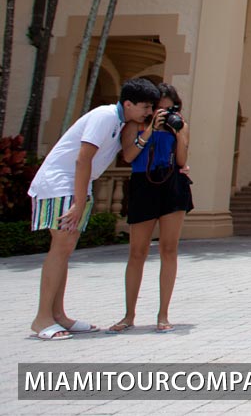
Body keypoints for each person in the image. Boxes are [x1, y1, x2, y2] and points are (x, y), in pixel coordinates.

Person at [26, 77, 159, 340]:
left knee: (66, 248)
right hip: (59, 185)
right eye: (145, 107)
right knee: (60, 247)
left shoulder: (120, 122)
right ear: (128, 103)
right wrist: (77, 202)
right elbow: (83, 158)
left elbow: (129, 153)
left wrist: (149, 129)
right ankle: (42, 319)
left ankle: (58, 315)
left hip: (74, 187)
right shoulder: (105, 116)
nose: (149, 112)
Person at [108, 83, 194, 334]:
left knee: (169, 249)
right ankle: (128, 315)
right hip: (143, 184)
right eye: (161, 109)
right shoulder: (136, 125)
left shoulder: (180, 125)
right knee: (137, 252)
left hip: (172, 185)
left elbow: (181, 161)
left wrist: (177, 132)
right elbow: (129, 156)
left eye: (171, 108)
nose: (166, 113)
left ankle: (163, 313)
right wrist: (149, 131)